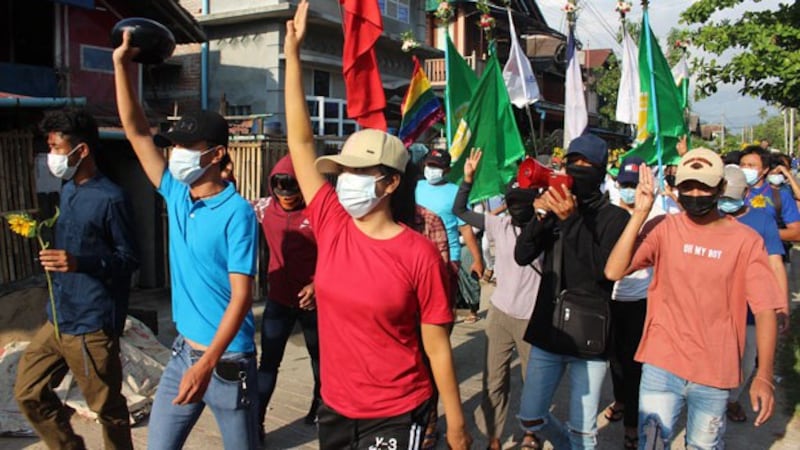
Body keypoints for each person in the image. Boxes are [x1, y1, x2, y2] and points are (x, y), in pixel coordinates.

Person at [282, 3, 470, 449]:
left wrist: (458, 424)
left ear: (389, 183)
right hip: (335, 407)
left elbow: (438, 346)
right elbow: (301, 140)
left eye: (358, 173)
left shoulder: (419, 254)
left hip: (398, 410)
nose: (344, 180)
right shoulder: (331, 222)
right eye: (342, 171)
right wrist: (293, 56)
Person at [114, 32, 261, 449]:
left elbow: (241, 297)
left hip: (228, 361)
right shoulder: (177, 194)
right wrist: (122, 65)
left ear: (215, 154)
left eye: (184, 146)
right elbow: (136, 131)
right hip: (183, 353)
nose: (175, 153)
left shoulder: (237, 213)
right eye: (173, 145)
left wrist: (209, 364)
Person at [605, 148, 783, 449]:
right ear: (677, 187)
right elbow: (614, 270)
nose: (695, 193)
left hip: (714, 371)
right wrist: (639, 215)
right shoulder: (664, 228)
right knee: (651, 444)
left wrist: (764, 375)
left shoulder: (746, 241)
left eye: (704, 185)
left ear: (720, 188)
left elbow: (766, 309)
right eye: (688, 185)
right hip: (661, 364)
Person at [14, 108, 139, 450]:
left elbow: (129, 259)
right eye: (49, 147)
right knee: (27, 391)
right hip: (58, 316)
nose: (52, 155)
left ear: (81, 150)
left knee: (107, 409)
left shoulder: (111, 198)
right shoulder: (68, 189)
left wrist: (79, 262)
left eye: (57, 147)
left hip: (92, 323)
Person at [515, 134, 630, 450]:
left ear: (602, 171)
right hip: (548, 327)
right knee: (530, 418)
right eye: (572, 162)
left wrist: (572, 221)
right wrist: (541, 217)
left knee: (584, 430)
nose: (578, 170)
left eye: (587, 165)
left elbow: (601, 273)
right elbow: (522, 256)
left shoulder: (615, 218)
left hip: (589, 334)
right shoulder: (555, 205)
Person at [453, 149, 542, 450]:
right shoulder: (499, 225)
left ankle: (531, 434)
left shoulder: (546, 229)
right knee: (494, 382)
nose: (516, 208)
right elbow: (460, 211)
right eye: (511, 202)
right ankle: (493, 438)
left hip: (532, 318)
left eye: (523, 202)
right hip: (500, 315)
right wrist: (467, 179)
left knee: (534, 383)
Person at [251, 155, 320, 440]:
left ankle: (320, 408)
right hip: (279, 300)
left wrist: (318, 285)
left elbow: (337, 251)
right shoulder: (264, 208)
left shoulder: (318, 213)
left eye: (293, 191)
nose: (287, 197)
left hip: (315, 302)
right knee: (268, 362)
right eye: (280, 191)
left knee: (322, 361)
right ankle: (256, 422)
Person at [718, 164, 790, 423]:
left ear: (746, 192)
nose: (724, 202)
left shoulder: (762, 220)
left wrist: (782, 304)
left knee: (747, 360)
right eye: (721, 196)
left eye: (731, 197)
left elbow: (774, 263)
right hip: (716, 307)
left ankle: (733, 399)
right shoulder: (708, 217)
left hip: (751, 308)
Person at [604, 156, 663, 449]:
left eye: (635, 185)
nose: (630, 191)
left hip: (640, 300)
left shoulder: (656, 218)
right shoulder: (609, 215)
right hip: (611, 299)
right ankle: (621, 400)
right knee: (614, 359)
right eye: (625, 185)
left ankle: (631, 426)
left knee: (634, 364)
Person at [416, 148, 484, 323]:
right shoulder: (415, 187)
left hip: (447, 259)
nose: (431, 169)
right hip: (417, 257)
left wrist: (477, 259)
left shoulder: (455, 192)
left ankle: (442, 342)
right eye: (429, 164)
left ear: (447, 170)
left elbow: (465, 228)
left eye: (436, 166)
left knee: (444, 307)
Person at [739, 145, 800, 244]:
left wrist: (763, 232)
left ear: (765, 170)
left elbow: (797, 233)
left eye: (751, 165)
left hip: (768, 254)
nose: (745, 169)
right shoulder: (730, 193)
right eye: (742, 165)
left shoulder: (781, 196)